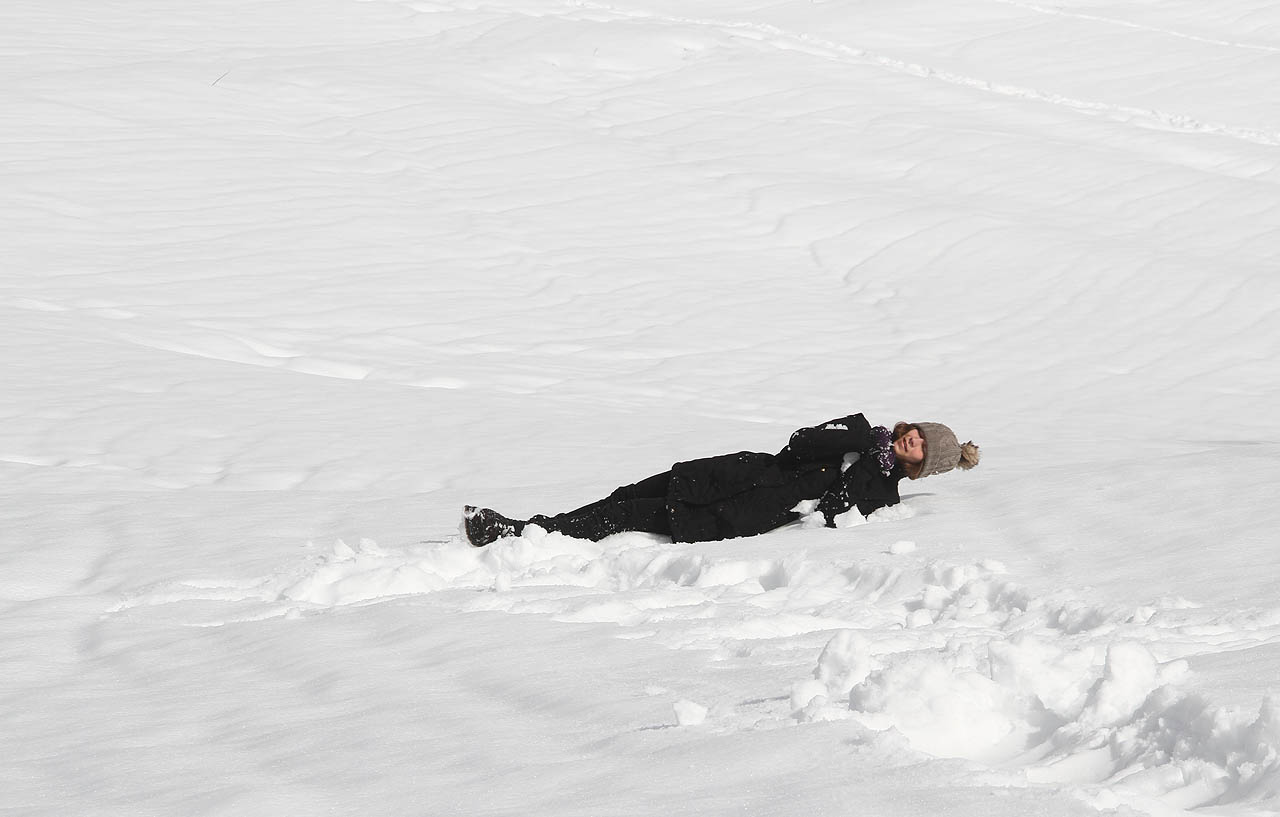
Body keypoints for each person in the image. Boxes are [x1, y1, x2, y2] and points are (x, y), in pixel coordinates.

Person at [463, 413, 979, 547]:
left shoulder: (881, 493)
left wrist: (860, 469)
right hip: (733, 471)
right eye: (916, 435)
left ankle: (517, 533)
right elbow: (799, 441)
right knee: (623, 496)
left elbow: (832, 515)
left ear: (920, 467)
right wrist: (859, 444)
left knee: (623, 517)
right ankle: (536, 530)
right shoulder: (861, 430)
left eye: (919, 450)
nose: (911, 442)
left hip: (739, 510)